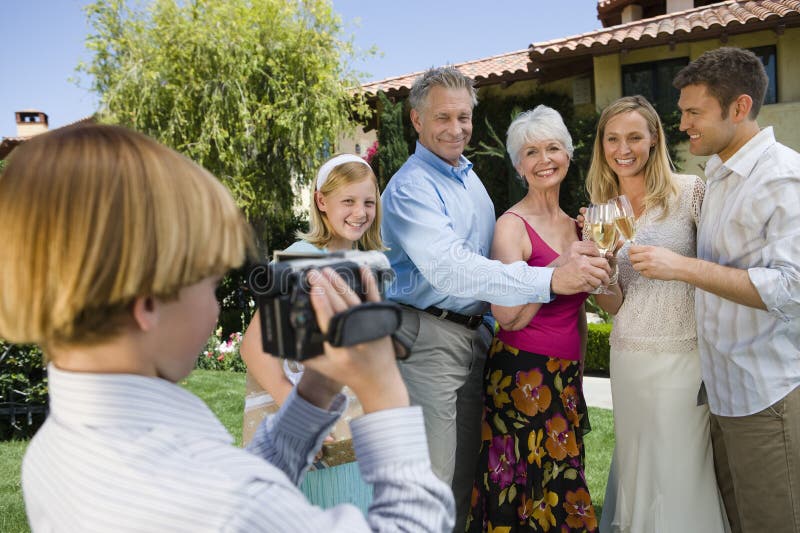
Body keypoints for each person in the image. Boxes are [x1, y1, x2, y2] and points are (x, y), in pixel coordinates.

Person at [0, 124, 454, 532]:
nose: (218, 307)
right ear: (147, 305)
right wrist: (386, 397)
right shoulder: (224, 503)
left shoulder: (55, 449)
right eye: (212, 283)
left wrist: (314, 391)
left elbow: (245, 478)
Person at [380, 66, 611, 532]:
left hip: (476, 339)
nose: (456, 127)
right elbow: (450, 268)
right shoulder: (412, 188)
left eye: (464, 116)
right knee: (435, 481)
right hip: (429, 338)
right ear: (416, 120)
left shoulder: (467, 179)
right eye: (442, 116)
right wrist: (548, 279)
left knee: (468, 482)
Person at [629, 47, 800, 533]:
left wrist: (683, 267)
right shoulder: (720, 176)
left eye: (693, 112)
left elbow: (792, 288)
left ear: (739, 108)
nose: (682, 124)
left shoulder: (783, 176)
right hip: (720, 396)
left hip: (766, 397)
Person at [584, 95, 728, 532]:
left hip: (683, 356)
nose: (622, 148)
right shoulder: (602, 208)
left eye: (633, 137)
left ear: (653, 139)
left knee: (681, 468)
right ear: (602, 146)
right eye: (612, 139)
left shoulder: (690, 192)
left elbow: (720, 270)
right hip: (627, 354)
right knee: (637, 467)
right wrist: (602, 277)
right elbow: (613, 302)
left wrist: (674, 265)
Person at [466, 105, 597, 532]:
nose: (544, 160)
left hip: (563, 377)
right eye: (531, 152)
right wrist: (559, 267)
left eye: (553, 148)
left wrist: (577, 369)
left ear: (568, 153)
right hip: (521, 375)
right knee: (520, 491)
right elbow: (507, 316)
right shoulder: (511, 226)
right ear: (519, 165)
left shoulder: (580, 225)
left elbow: (578, 310)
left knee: (562, 487)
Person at [239, 153, 383, 512]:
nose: (360, 212)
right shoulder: (303, 260)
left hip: (348, 437)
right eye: (347, 201)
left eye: (368, 202)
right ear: (322, 201)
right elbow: (253, 347)